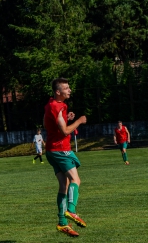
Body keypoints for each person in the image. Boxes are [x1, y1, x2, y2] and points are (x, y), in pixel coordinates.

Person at [44, 77, 87, 237]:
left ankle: (62, 223)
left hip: (51, 151)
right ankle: (71, 210)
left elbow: (46, 123)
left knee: (64, 185)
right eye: (66, 88)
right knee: (76, 180)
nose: (69, 90)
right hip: (61, 149)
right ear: (58, 92)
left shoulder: (50, 104)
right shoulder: (61, 105)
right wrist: (78, 121)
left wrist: (64, 119)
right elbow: (65, 132)